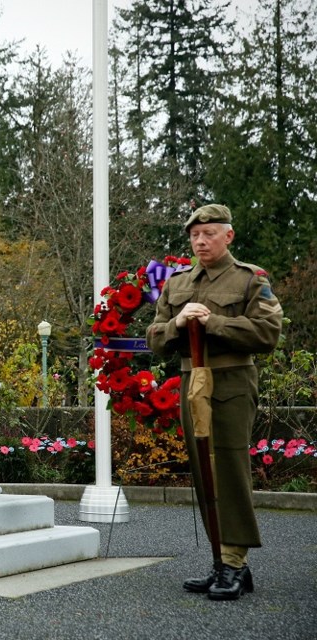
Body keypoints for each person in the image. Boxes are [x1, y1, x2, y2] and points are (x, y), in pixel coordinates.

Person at [146, 204, 282, 601]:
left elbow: (268, 333)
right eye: (195, 235)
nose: (200, 241)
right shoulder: (177, 283)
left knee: (228, 466)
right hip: (192, 380)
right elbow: (154, 338)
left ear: (228, 237)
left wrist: (212, 322)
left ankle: (235, 562)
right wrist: (177, 322)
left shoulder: (249, 280)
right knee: (203, 467)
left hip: (231, 379)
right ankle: (220, 559)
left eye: (209, 234)